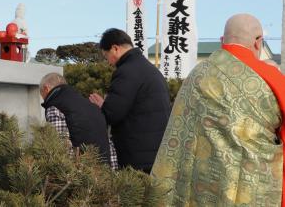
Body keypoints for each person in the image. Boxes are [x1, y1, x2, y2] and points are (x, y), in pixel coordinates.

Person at [151, 13, 285, 206]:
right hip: (251, 186)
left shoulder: (197, 75)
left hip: (199, 180)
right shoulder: (271, 78)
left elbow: (179, 130)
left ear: (222, 41)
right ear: (258, 42)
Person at [89, 28, 171, 173]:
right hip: (158, 150)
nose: (108, 62)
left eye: (106, 55)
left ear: (115, 48)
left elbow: (112, 114)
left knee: (137, 195)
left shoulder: (126, 72)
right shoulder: (150, 69)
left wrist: (103, 106)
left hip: (137, 155)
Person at [40, 72, 115, 167]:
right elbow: (107, 142)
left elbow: (62, 146)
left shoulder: (55, 107)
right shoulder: (92, 106)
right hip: (104, 170)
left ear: (46, 88)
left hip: (82, 173)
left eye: (42, 95)